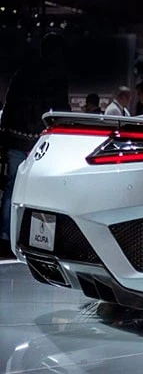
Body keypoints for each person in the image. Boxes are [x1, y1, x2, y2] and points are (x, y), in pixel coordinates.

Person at [0, 33, 70, 258]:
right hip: (40, 142)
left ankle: (5, 237)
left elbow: (9, 106)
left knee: (11, 188)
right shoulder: (56, 75)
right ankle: (36, 239)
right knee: (41, 192)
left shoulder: (22, 72)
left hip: (15, 138)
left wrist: (3, 136)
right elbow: (61, 110)